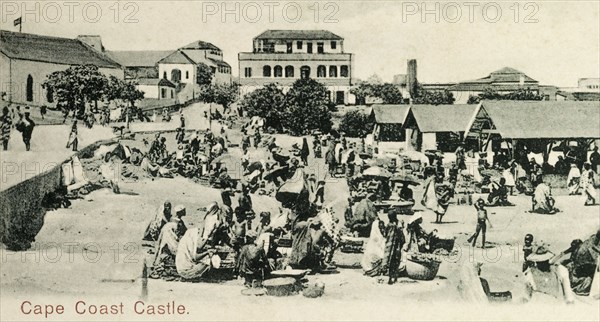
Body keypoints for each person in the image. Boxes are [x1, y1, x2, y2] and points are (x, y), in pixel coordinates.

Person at [175, 203, 223, 280]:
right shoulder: (211, 219)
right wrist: (207, 252)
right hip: (186, 271)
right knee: (208, 262)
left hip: (181, 268)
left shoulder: (186, 239)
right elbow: (195, 257)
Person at [151, 205, 188, 277]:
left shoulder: (172, 219)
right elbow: (183, 233)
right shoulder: (179, 223)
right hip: (172, 240)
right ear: (181, 212)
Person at [382, 210, 406, 284]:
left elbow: (384, 234)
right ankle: (394, 277)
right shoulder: (396, 227)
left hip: (389, 247)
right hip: (396, 247)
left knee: (390, 261)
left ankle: (390, 277)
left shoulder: (388, 225)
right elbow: (402, 238)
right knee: (395, 262)